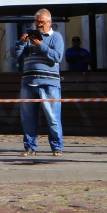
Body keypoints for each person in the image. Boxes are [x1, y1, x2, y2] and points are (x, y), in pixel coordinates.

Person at [10, 8, 64, 157]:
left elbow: (57, 57)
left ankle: (57, 147)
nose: (39, 25)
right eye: (36, 22)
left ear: (50, 22)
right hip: (29, 82)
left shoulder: (56, 37)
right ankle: (30, 146)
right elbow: (14, 54)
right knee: (27, 118)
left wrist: (40, 45)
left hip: (49, 83)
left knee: (53, 117)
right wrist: (21, 42)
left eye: (42, 22)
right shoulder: (29, 38)